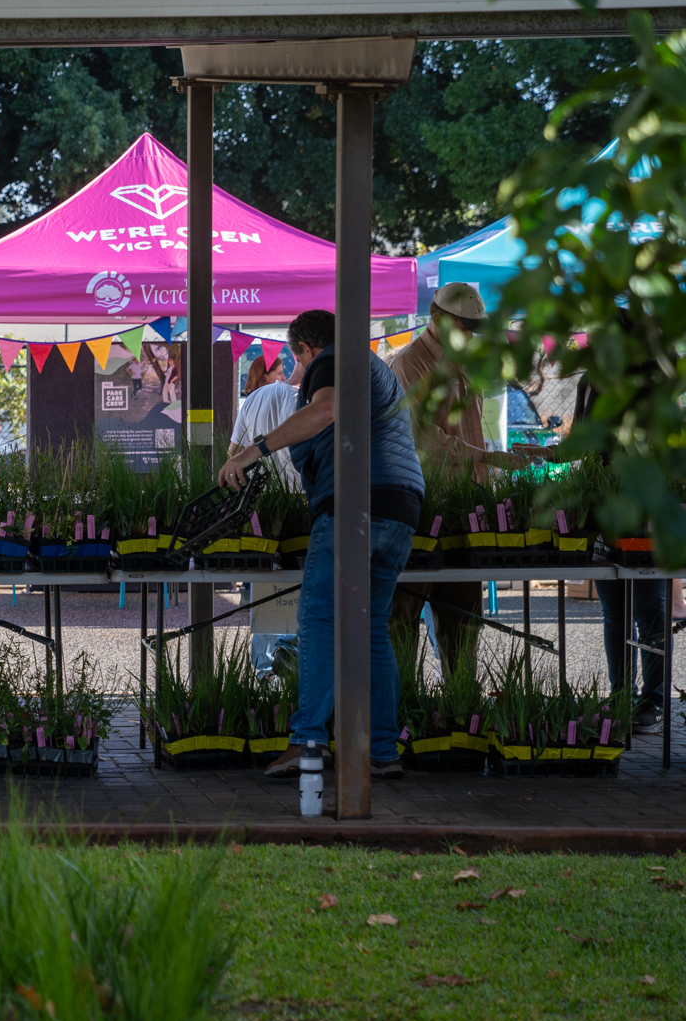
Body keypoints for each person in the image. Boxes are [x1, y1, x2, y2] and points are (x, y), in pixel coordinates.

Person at [218, 308, 425, 781]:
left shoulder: (332, 362)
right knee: (370, 628)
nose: (296, 375)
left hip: (356, 505)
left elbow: (325, 410)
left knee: (318, 619)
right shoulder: (374, 368)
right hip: (400, 507)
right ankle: (382, 751)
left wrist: (255, 450)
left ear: (306, 350)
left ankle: (308, 740)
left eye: (295, 362)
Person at [385, 283, 543, 673]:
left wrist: (492, 463)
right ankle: (404, 714)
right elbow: (424, 438)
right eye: (464, 326)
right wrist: (487, 456)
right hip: (424, 507)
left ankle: (459, 711)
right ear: (437, 320)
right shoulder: (408, 364)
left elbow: (468, 430)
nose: (471, 335)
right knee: (402, 617)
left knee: (463, 618)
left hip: (467, 506)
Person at [572, 316, 668, 733]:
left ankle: (649, 700)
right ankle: (627, 699)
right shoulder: (596, 381)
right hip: (609, 507)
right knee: (624, 610)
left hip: (633, 507)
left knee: (643, 609)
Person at [230, 355, 304, 491]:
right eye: (279, 373)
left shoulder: (253, 398)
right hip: (302, 497)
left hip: (259, 496)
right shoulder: (310, 404)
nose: (282, 377)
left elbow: (234, 451)